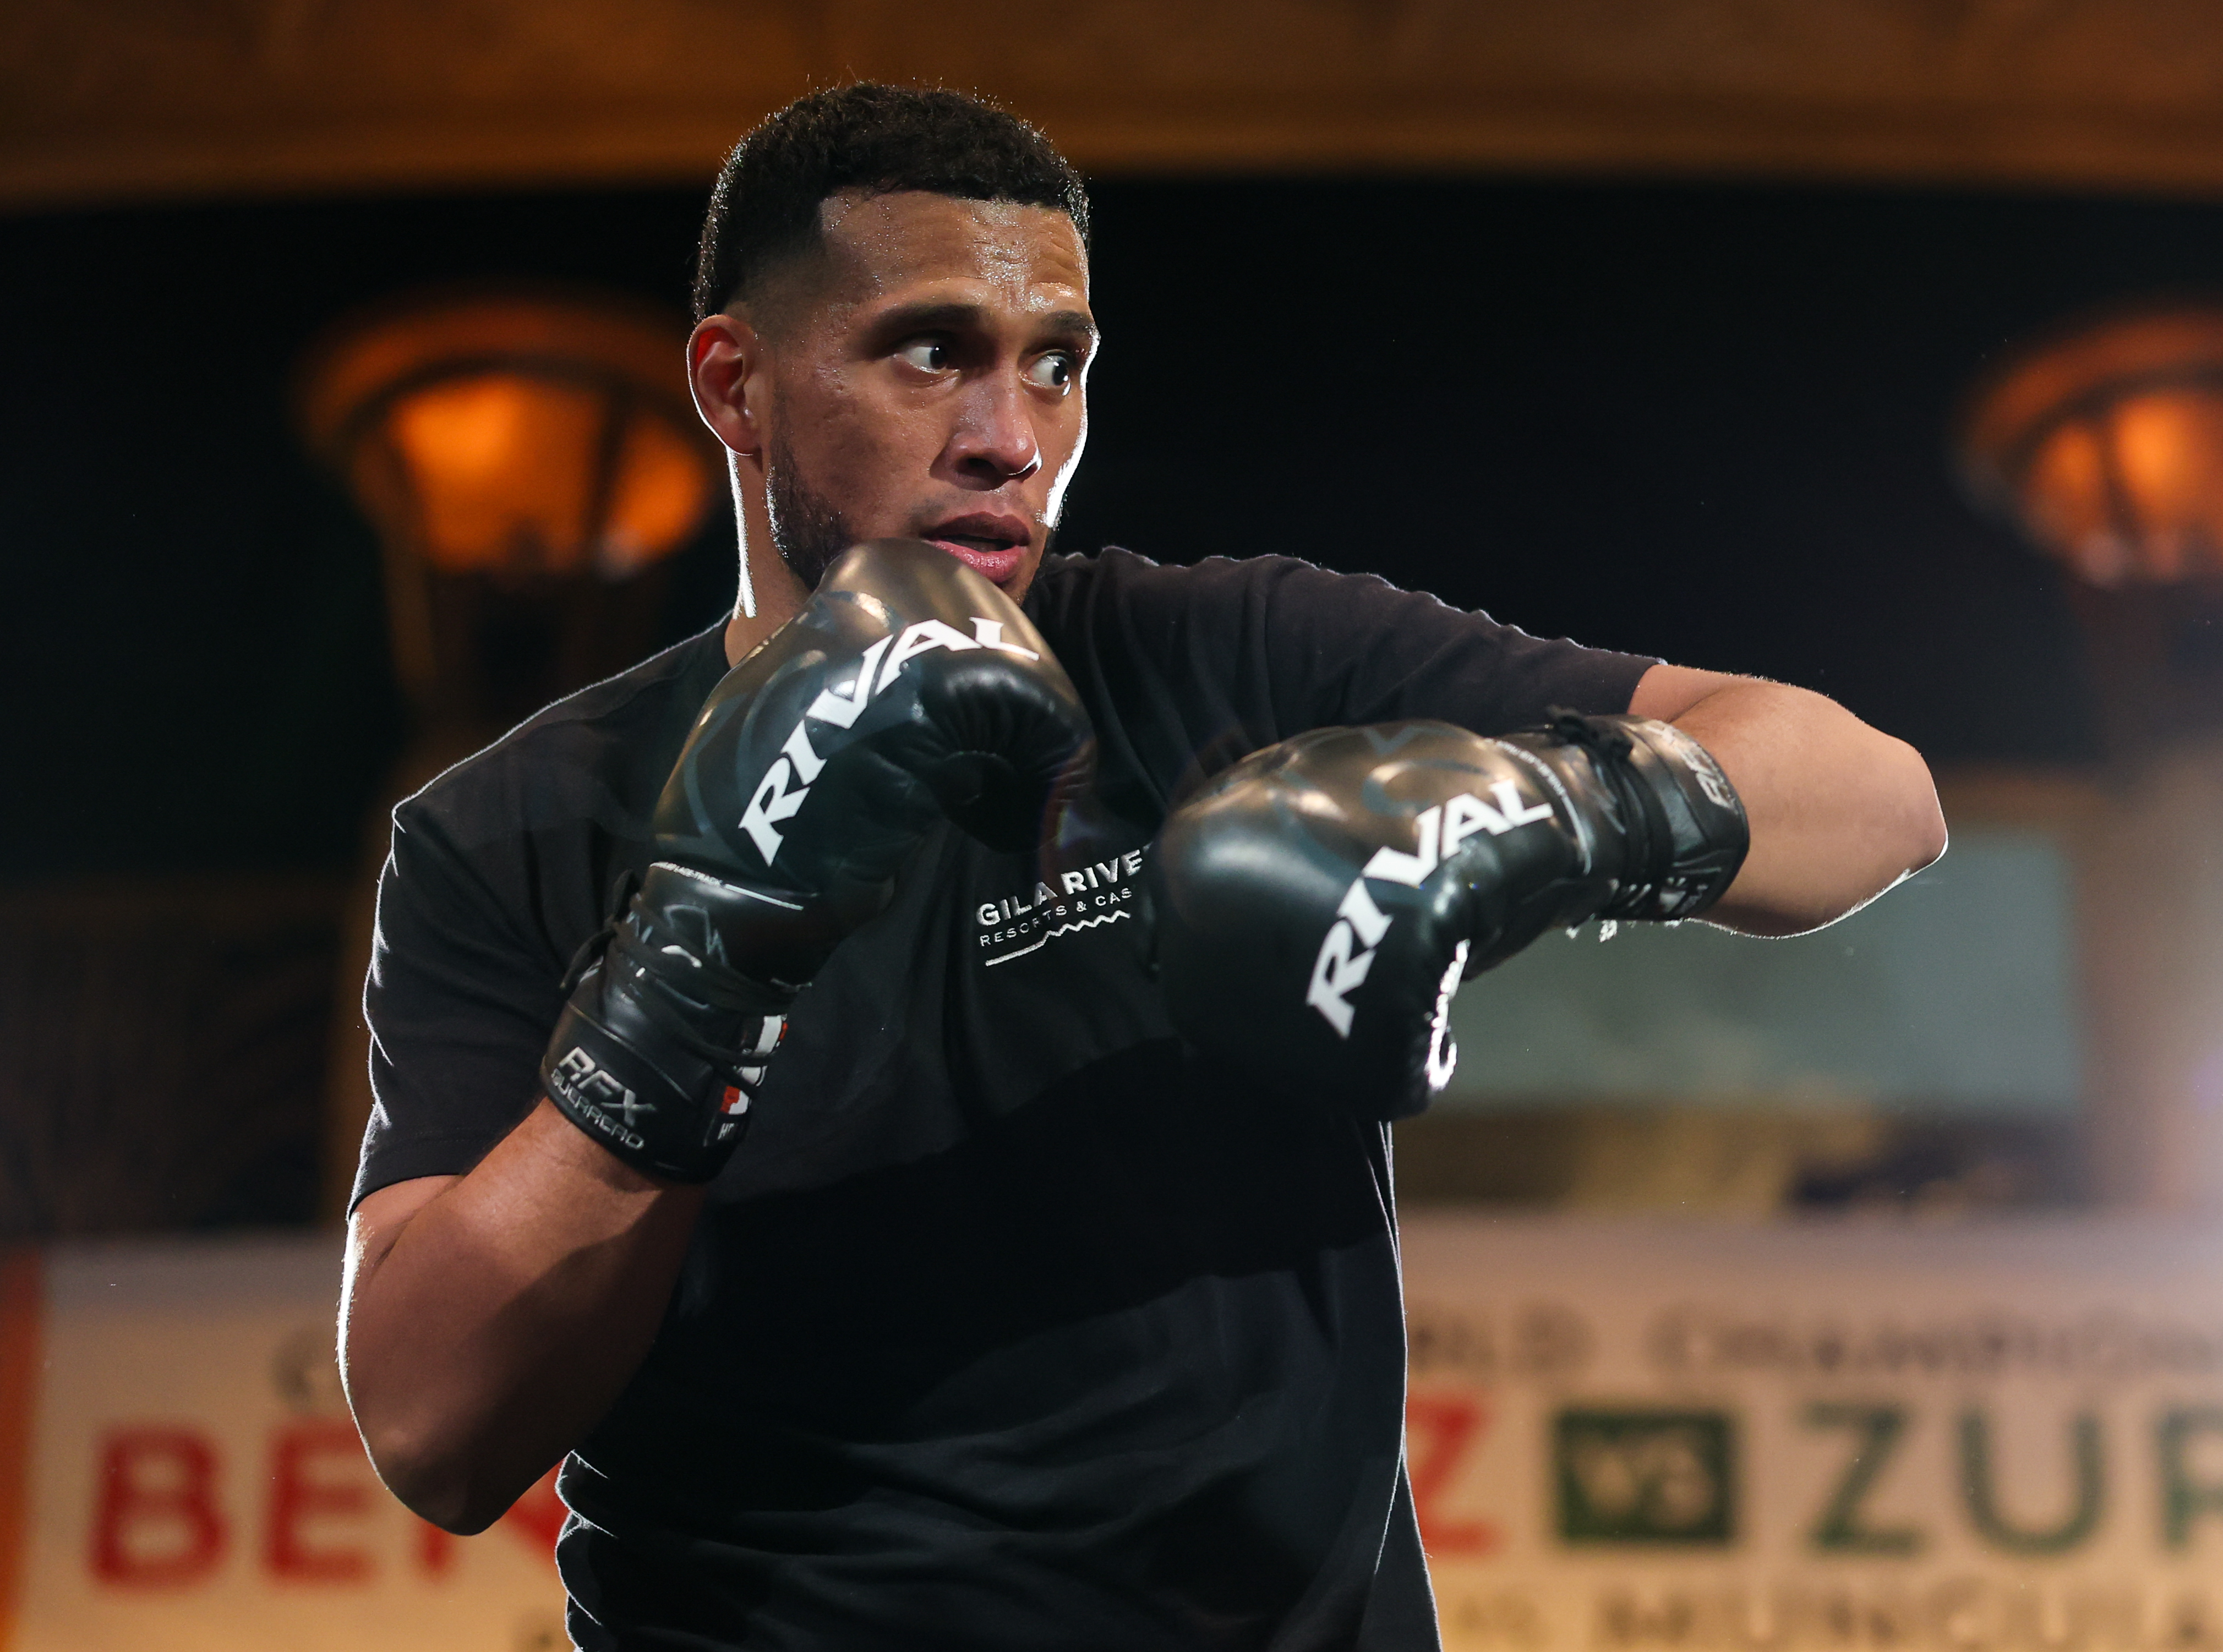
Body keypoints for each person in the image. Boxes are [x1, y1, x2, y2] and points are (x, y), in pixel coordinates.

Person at [340, 82, 1946, 1651]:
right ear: (734, 380)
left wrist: (1556, 810)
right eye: (931, 352)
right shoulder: (516, 828)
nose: (1009, 436)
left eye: (1059, 365)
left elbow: (1874, 796)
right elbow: (434, 1429)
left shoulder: (1225, 659)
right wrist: (710, 945)